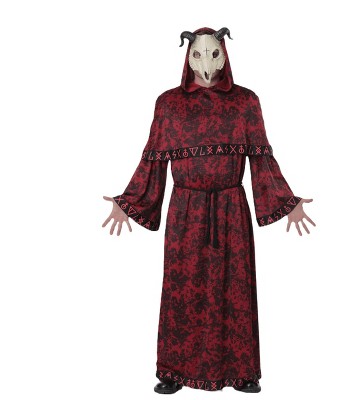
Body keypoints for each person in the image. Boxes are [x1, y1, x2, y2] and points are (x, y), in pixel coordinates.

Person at [102, 26, 315, 394]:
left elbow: (261, 157)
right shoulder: (168, 104)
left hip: (231, 209)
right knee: (181, 290)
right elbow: (153, 159)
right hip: (185, 211)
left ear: (224, 54)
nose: (205, 62)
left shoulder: (246, 102)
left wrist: (286, 201)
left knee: (235, 288)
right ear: (187, 57)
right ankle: (173, 371)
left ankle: (243, 372)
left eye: (213, 53)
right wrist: (131, 201)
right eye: (197, 54)